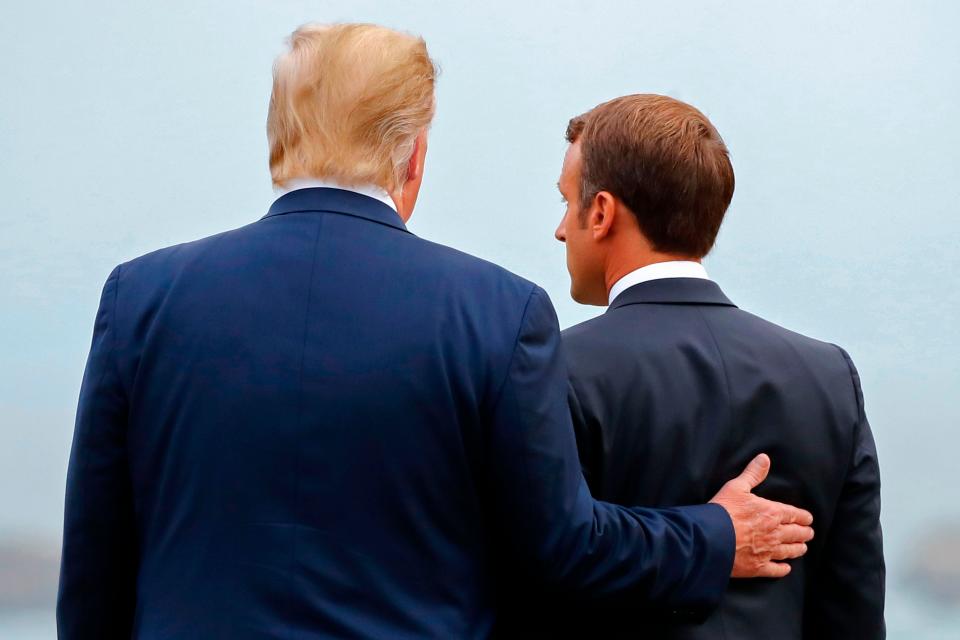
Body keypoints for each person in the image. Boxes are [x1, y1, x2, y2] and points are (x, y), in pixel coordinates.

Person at [56, 26, 814, 639]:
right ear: (413, 154)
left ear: (277, 137)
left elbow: (95, 567)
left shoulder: (142, 298)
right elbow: (561, 551)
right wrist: (714, 536)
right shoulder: (496, 311)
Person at [546, 94, 884, 638]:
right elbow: (853, 605)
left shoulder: (554, 369)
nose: (561, 229)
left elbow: (541, 567)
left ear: (602, 213)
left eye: (565, 203)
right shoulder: (828, 377)